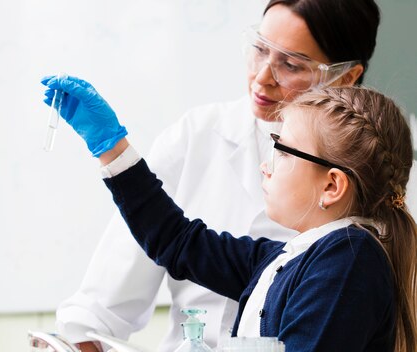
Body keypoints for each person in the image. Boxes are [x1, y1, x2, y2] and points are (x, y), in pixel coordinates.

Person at [49, 0, 384, 351]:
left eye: (291, 64)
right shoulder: (271, 255)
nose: (262, 76)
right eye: (259, 49)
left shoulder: (343, 255)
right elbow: (174, 240)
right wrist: (112, 149)